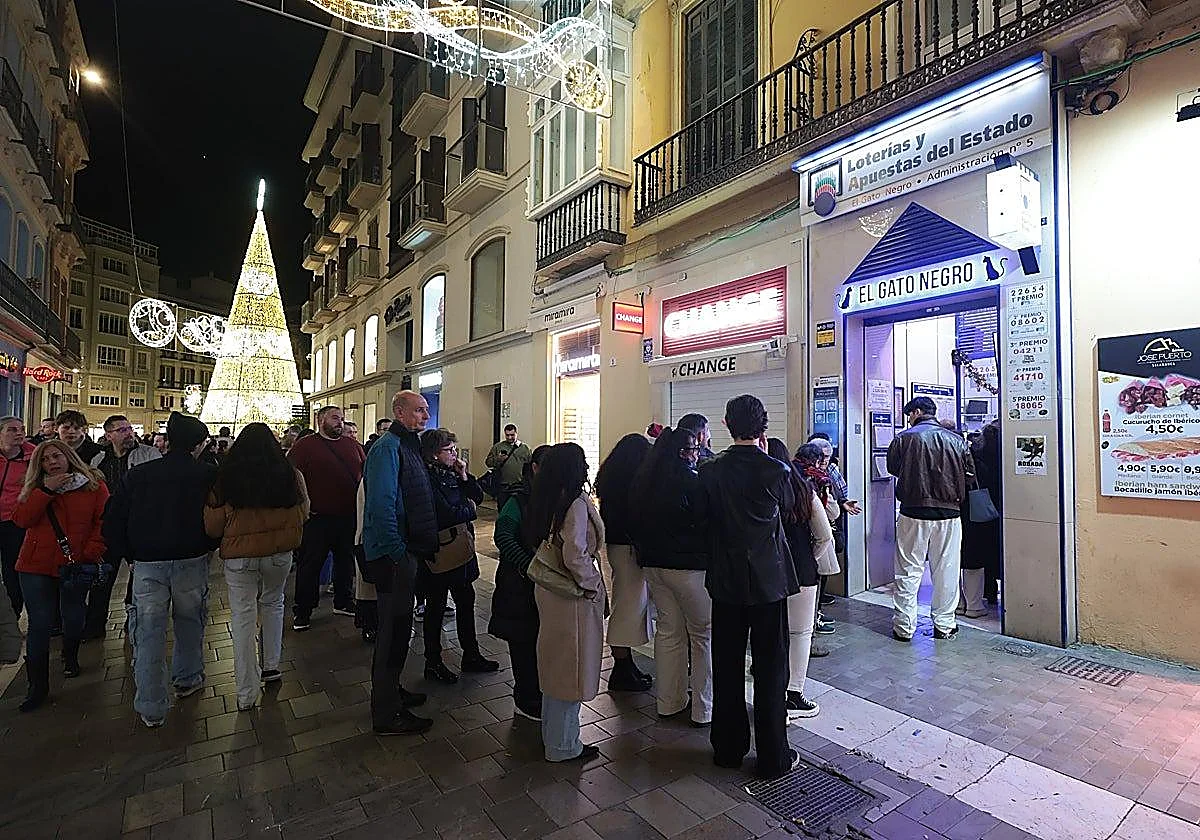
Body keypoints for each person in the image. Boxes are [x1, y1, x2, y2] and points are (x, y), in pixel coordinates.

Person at [700, 395, 800, 779]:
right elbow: (791, 511)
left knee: (725, 664)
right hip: (769, 582)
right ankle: (774, 755)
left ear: (726, 424)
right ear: (764, 428)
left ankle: (727, 748)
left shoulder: (710, 471)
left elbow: (702, 520)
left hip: (725, 581)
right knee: (772, 667)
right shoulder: (777, 471)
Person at [102, 412, 217, 727]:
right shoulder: (205, 474)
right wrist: (209, 546)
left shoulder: (139, 475)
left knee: (149, 631)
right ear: (196, 444)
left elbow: (113, 519)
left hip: (148, 563)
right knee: (190, 622)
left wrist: (129, 554)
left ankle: (151, 705)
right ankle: (188, 677)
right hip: (191, 559)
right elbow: (216, 516)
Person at [205, 423, 310, 710]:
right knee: (274, 603)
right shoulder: (290, 475)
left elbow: (213, 526)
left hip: (240, 557)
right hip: (279, 553)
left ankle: (246, 692)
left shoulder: (225, 478)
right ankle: (271, 665)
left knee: (242, 617)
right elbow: (305, 512)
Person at [12, 440, 108, 711]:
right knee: (39, 625)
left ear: (68, 457)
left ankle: (71, 654)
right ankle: (37, 686)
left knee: (74, 615)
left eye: (56, 456)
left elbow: (103, 521)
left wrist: (91, 551)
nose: (51, 462)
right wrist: (45, 491)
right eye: (44, 459)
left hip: (75, 563)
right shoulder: (34, 486)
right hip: (35, 565)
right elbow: (21, 519)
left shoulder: (92, 484)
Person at [363, 391, 437, 736]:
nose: (425, 416)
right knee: (391, 633)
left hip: (405, 551)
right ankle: (386, 712)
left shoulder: (406, 446)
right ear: (399, 412)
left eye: (426, 410)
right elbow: (382, 504)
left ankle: (393, 691)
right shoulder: (387, 448)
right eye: (419, 410)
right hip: (394, 555)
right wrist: (397, 551)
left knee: (400, 629)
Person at [526, 442, 605, 763]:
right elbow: (575, 553)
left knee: (555, 665)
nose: (587, 467)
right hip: (570, 594)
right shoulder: (573, 503)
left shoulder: (546, 497)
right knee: (570, 669)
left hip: (551, 590)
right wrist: (592, 583)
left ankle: (556, 736)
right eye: (582, 462)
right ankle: (562, 745)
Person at [631, 426, 712, 726]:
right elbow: (704, 521)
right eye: (693, 450)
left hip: (654, 567)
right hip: (690, 569)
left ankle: (668, 702)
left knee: (668, 633)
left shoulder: (645, 481)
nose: (696, 455)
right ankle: (704, 709)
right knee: (703, 636)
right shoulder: (691, 482)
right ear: (682, 452)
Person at [886, 397, 976, 643]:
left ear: (916, 412)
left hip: (913, 511)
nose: (909, 420)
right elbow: (969, 476)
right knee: (946, 571)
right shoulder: (957, 441)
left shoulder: (903, 439)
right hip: (949, 513)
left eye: (909, 415)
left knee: (908, 571)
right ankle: (945, 625)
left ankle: (904, 627)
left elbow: (894, 469)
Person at [420, 428, 498, 683]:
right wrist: (469, 509)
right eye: (449, 450)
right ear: (433, 454)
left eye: (454, 449)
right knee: (436, 606)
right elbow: (446, 513)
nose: (454, 454)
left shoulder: (453, 473)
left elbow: (477, 496)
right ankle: (433, 662)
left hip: (461, 546)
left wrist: (464, 476)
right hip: (441, 549)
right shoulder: (426, 478)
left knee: (466, 599)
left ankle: (471, 654)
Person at [768, 438, 832, 720]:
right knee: (800, 633)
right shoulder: (804, 489)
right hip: (803, 570)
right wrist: (811, 558)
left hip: (768, 571)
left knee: (772, 632)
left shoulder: (761, 489)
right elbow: (825, 535)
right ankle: (794, 694)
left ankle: (770, 687)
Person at [287, 405, 366, 629]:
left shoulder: (352, 445)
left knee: (345, 561)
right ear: (321, 420)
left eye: (341, 418)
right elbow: (291, 474)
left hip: (348, 516)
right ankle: (303, 609)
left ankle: (343, 600)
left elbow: (364, 472)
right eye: (334, 418)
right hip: (317, 518)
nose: (340, 422)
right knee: (310, 565)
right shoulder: (305, 446)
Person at [85, 415, 161, 640]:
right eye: (121, 430)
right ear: (108, 435)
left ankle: (133, 619)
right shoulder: (99, 460)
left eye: (129, 428)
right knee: (103, 577)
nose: (128, 433)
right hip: (108, 525)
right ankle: (95, 623)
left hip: (138, 525)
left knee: (137, 576)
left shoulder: (148, 454)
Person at [490, 444, 550, 721]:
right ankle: (526, 698)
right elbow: (503, 536)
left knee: (540, 640)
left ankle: (539, 692)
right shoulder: (519, 500)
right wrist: (529, 566)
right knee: (524, 641)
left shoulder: (555, 498)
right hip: (520, 583)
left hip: (542, 584)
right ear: (535, 468)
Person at [593, 433, 653, 692]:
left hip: (618, 547)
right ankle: (621, 668)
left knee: (627, 604)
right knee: (627, 606)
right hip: (629, 549)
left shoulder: (611, 481)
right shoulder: (634, 485)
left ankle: (625, 664)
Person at [793, 443, 842, 641]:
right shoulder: (816, 480)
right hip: (811, 543)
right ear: (816, 460)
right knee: (813, 591)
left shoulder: (788, 473)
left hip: (791, 544)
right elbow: (832, 513)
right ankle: (812, 628)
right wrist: (813, 556)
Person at [961, 419, 1002, 615]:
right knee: (995, 552)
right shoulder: (1004, 457)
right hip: (997, 512)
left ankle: (977, 598)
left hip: (974, 510)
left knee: (973, 556)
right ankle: (993, 593)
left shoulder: (974, 455)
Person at [0, 416, 35, 616]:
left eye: (21, 429)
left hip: (15, 522)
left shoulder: (32, 457)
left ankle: (12, 616)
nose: (19, 433)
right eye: (12, 430)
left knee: (13, 571)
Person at [485, 424, 532, 510]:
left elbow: (529, 465)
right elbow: (488, 463)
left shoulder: (525, 448)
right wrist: (498, 459)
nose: (510, 437)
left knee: (518, 509)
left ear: (516, 434)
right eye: (507, 435)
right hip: (503, 485)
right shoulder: (498, 447)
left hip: (519, 485)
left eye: (512, 435)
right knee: (502, 508)